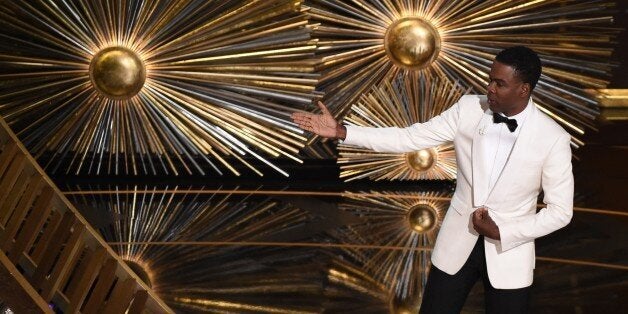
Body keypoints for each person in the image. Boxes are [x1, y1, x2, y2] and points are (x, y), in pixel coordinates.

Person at [291, 46, 573, 313]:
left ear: (524, 89)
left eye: (499, 84)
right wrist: (343, 132)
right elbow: (410, 137)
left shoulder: (553, 138)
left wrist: (503, 233)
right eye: (490, 80)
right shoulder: (469, 109)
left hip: (510, 255)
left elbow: (561, 212)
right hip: (456, 246)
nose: (489, 88)